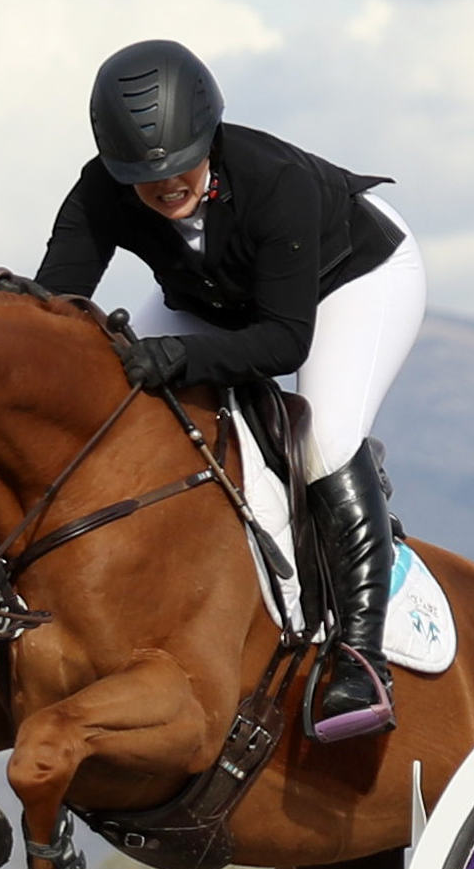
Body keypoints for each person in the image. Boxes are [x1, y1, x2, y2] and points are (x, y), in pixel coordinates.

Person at [28, 40, 425, 742]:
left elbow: (281, 343)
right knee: (118, 398)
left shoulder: (275, 184)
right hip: (216, 299)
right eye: (144, 176)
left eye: (180, 164)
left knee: (322, 437)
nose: (166, 186)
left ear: (206, 136)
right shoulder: (102, 191)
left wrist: (179, 356)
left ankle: (363, 658)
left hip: (352, 281)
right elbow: (55, 310)